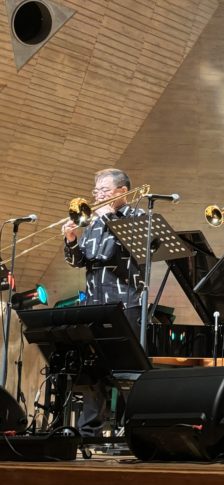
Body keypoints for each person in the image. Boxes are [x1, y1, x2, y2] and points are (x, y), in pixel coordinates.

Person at [62, 168, 144, 436]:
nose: (97, 196)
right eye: (96, 191)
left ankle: (133, 430)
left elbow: (112, 254)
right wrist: (71, 241)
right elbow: (82, 261)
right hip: (94, 303)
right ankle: (89, 432)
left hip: (124, 303)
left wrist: (108, 217)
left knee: (126, 370)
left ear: (122, 191)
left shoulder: (138, 218)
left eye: (104, 191)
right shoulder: (94, 221)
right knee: (92, 368)